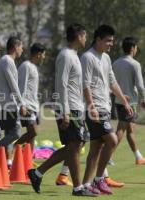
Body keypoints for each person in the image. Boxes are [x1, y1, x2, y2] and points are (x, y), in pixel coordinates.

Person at [28, 24, 97, 197]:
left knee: (77, 144)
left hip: (76, 107)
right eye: (85, 36)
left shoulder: (74, 55)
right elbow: (61, 84)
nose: (86, 39)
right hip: (68, 108)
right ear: (78, 36)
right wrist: (65, 112)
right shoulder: (66, 55)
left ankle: (37, 173)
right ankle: (77, 187)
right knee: (75, 145)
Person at [81, 25, 133, 195]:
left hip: (105, 106)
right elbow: (85, 85)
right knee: (112, 140)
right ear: (98, 40)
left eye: (112, 41)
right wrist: (91, 106)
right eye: (108, 41)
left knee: (96, 148)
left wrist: (124, 101)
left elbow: (112, 81)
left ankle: (86, 185)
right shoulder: (87, 57)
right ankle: (99, 179)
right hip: (95, 108)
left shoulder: (106, 58)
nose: (111, 44)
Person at [113, 37, 145, 165]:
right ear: (132, 48)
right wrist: (144, 98)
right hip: (129, 103)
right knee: (121, 130)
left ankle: (138, 157)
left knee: (130, 129)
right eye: (136, 47)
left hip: (118, 100)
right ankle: (107, 155)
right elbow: (140, 85)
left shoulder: (115, 63)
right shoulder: (135, 64)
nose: (137, 49)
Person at [0, 36, 27, 166]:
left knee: (9, 132)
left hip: (7, 104)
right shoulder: (7, 60)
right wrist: (21, 103)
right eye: (21, 47)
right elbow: (13, 85)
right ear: (15, 47)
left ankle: (7, 162)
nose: (22, 49)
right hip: (7, 105)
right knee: (16, 133)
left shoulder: (7, 60)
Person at [15, 43, 45, 151]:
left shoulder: (34, 67)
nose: (44, 57)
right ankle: (12, 147)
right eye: (43, 54)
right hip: (27, 106)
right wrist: (22, 104)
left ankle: (28, 161)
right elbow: (21, 86)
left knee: (32, 136)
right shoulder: (25, 66)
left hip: (34, 106)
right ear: (38, 54)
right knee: (33, 132)